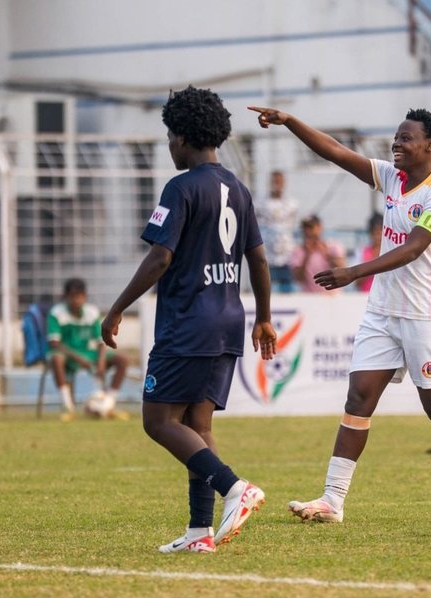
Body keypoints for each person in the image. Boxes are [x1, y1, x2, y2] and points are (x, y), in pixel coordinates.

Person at [249, 104, 431, 522]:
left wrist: (355, 272)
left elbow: (415, 246)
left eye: (405, 138)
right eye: (396, 138)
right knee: (359, 397)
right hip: (383, 311)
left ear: (429, 146)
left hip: (427, 314)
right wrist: (291, 121)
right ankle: (332, 500)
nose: (396, 144)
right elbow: (335, 152)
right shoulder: (392, 177)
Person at [101, 86, 278, 553]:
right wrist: (263, 317)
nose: (168, 146)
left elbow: (160, 258)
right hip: (228, 321)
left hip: (188, 324)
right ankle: (200, 532)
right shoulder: (238, 188)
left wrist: (117, 306)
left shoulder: (180, 188)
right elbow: (257, 259)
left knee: (158, 421)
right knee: (197, 428)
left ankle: (235, 488)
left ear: (181, 137)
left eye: (168, 136)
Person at [47, 277, 128, 419]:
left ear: (85, 297)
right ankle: (68, 408)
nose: (77, 300)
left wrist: (101, 362)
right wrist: (80, 359)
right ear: (66, 297)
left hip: (88, 354)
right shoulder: (56, 313)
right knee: (56, 358)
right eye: (73, 297)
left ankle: (108, 404)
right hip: (67, 354)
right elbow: (55, 343)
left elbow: (100, 341)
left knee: (122, 359)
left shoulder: (91, 312)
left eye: (80, 296)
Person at [254, 170, 298, 292]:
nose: (277, 184)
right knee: (265, 288)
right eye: (274, 181)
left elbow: (292, 224)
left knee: (287, 288)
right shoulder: (259, 204)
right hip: (267, 254)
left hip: (286, 254)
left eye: (279, 181)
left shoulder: (291, 204)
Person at [289, 214, 347, 293]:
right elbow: (298, 278)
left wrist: (325, 253)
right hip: (309, 298)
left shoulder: (333, 247)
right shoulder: (298, 251)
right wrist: (307, 256)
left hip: (333, 297)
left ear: (320, 227)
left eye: (311, 228)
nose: (307, 231)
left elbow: (342, 269)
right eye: (305, 228)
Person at [355, 212, 383, 292]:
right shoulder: (361, 252)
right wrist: (374, 264)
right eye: (375, 232)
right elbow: (357, 282)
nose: (378, 236)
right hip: (365, 297)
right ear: (370, 233)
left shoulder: (391, 252)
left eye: (380, 231)